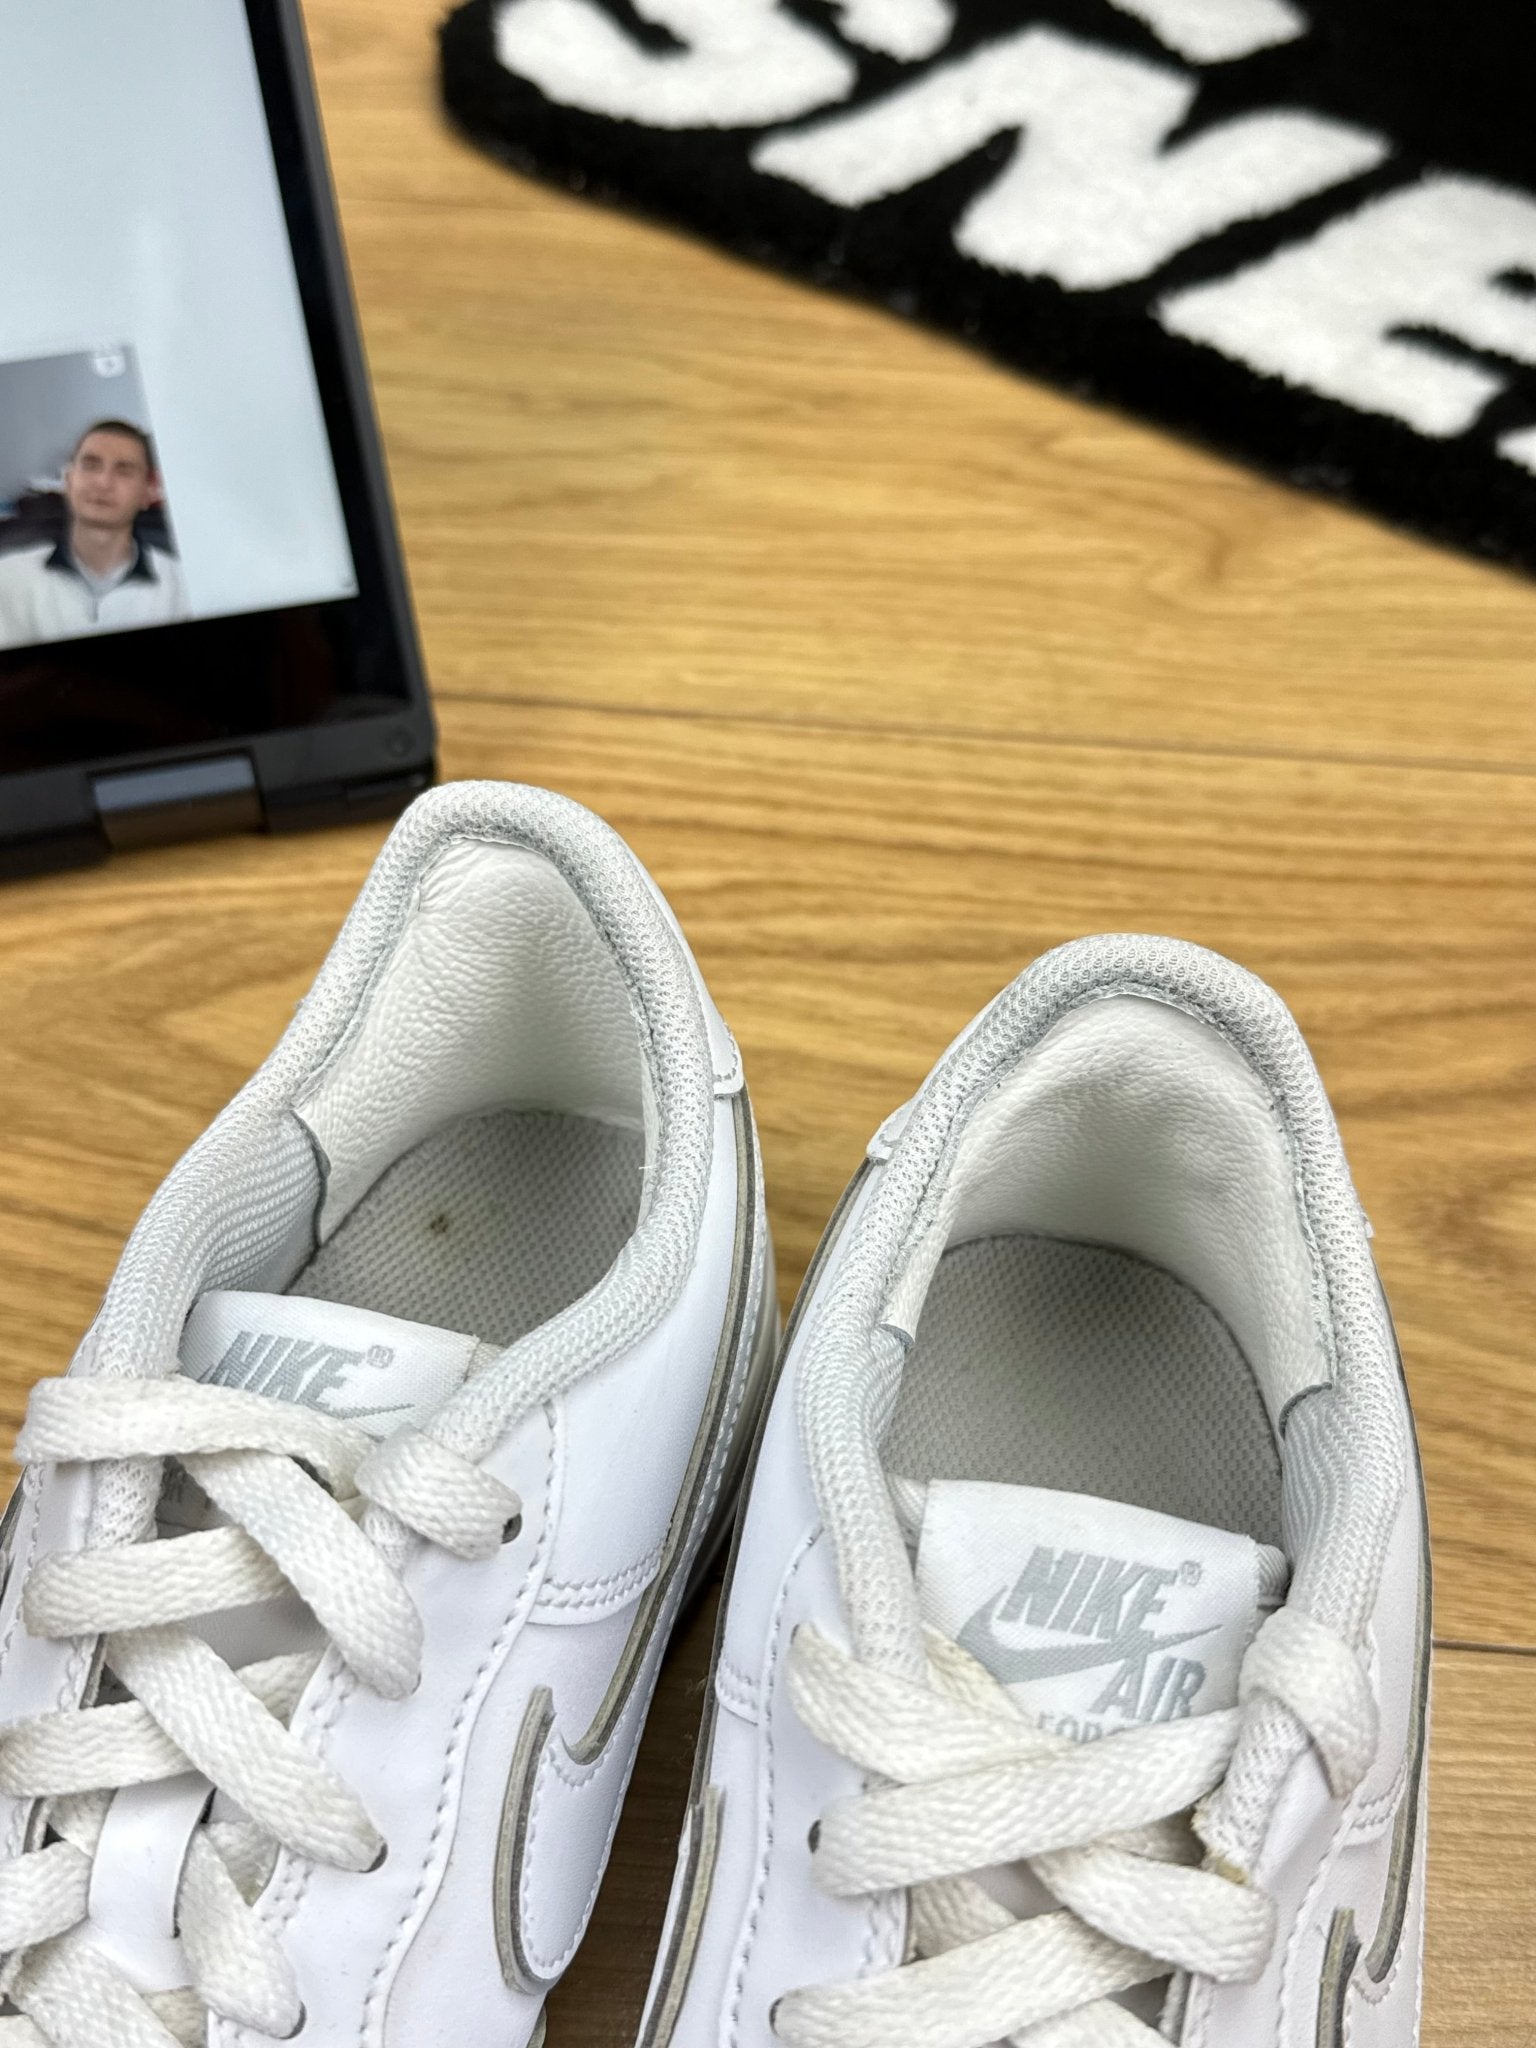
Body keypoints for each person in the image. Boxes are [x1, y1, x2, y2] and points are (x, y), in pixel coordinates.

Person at [0, 419, 189, 648]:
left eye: (124, 471)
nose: (103, 483)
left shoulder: (181, 587)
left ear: (148, 492)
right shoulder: (8, 578)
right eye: (91, 466)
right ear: (68, 481)